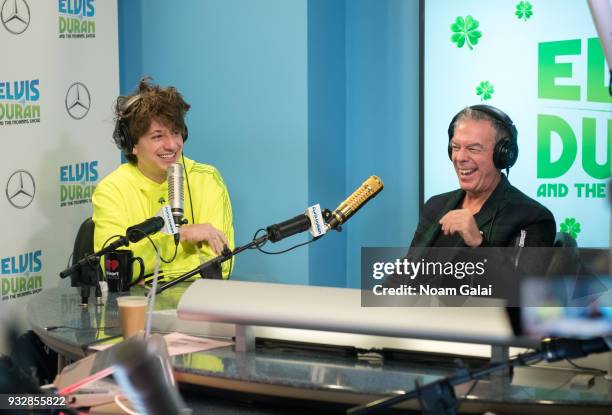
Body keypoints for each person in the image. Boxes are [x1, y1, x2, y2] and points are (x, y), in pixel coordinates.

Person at [92, 78, 234, 281]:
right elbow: (114, 269)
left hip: (197, 304)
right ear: (132, 143)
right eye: (158, 136)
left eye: (176, 133)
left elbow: (220, 266)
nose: (172, 145)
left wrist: (150, 277)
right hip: (137, 307)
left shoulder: (206, 179)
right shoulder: (111, 189)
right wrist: (180, 236)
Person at [411, 105, 556, 247]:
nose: (460, 157)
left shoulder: (533, 218)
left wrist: (478, 243)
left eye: (473, 149)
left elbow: (519, 272)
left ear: (503, 155)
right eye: (455, 147)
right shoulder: (435, 205)